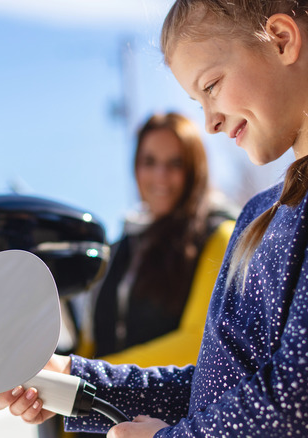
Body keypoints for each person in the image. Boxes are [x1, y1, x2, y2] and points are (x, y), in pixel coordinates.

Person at [0, 1, 308, 436]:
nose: (210, 123)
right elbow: (220, 389)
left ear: (282, 39)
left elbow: (307, 393)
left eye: (211, 86)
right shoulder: (260, 212)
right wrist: (75, 380)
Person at [78, 111, 237, 369]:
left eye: (175, 163)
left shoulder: (220, 235)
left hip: (176, 407)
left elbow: (200, 342)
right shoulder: (117, 249)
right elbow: (88, 347)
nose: (160, 175)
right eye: (149, 162)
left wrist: (93, 374)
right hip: (100, 404)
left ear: (195, 170)